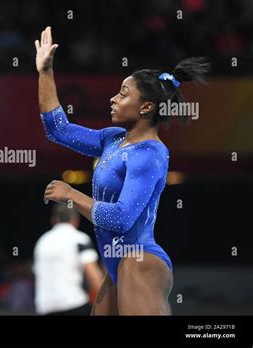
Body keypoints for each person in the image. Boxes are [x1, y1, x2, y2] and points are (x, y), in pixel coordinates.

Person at [35, 27, 209, 315]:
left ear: (146, 107)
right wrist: (45, 71)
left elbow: (121, 218)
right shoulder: (112, 139)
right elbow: (58, 129)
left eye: (123, 94)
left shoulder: (150, 154)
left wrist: (71, 195)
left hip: (140, 260)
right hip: (117, 265)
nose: (113, 99)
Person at [34, 204, 103, 315]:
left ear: (53, 220)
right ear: (75, 220)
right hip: (74, 305)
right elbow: (93, 274)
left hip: (45, 307)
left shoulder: (41, 242)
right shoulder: (79, 239)